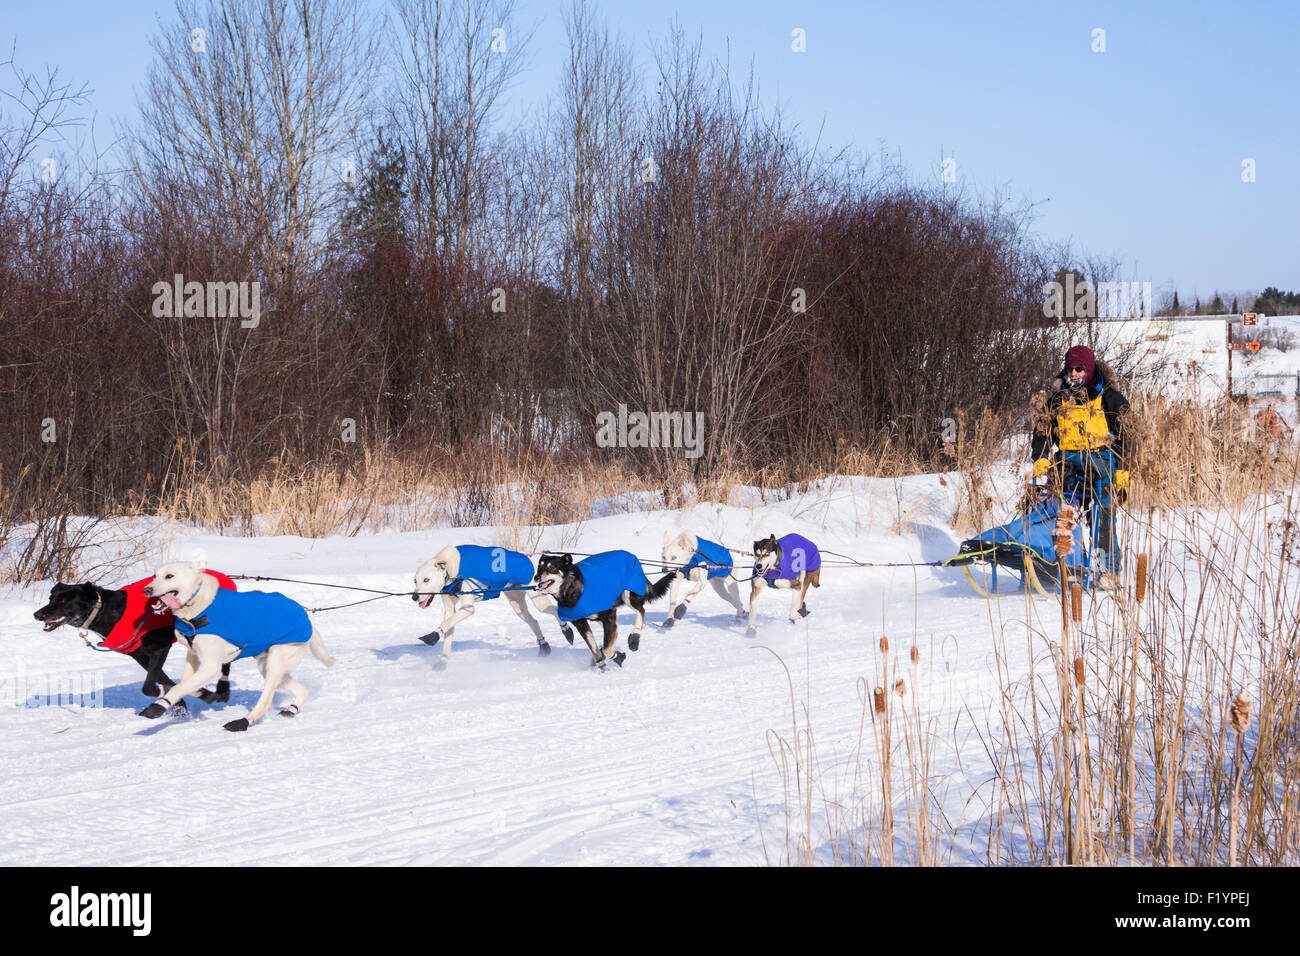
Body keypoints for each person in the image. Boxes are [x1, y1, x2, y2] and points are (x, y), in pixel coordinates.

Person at [1031, 345, 1131, 577]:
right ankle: (1060, 566)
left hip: (1102, 466)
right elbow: (1042, 431)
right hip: (1067, 465)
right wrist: (1042, 457)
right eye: (1070, 369)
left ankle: (1109, 572)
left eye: (1079, 369)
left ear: (1089, 368)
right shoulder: (1058, 400)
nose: (1074, 374)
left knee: (1102, 520)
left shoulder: (1110, 398)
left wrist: (1124, 469)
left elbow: (1128, 435)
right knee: (1061, 518)